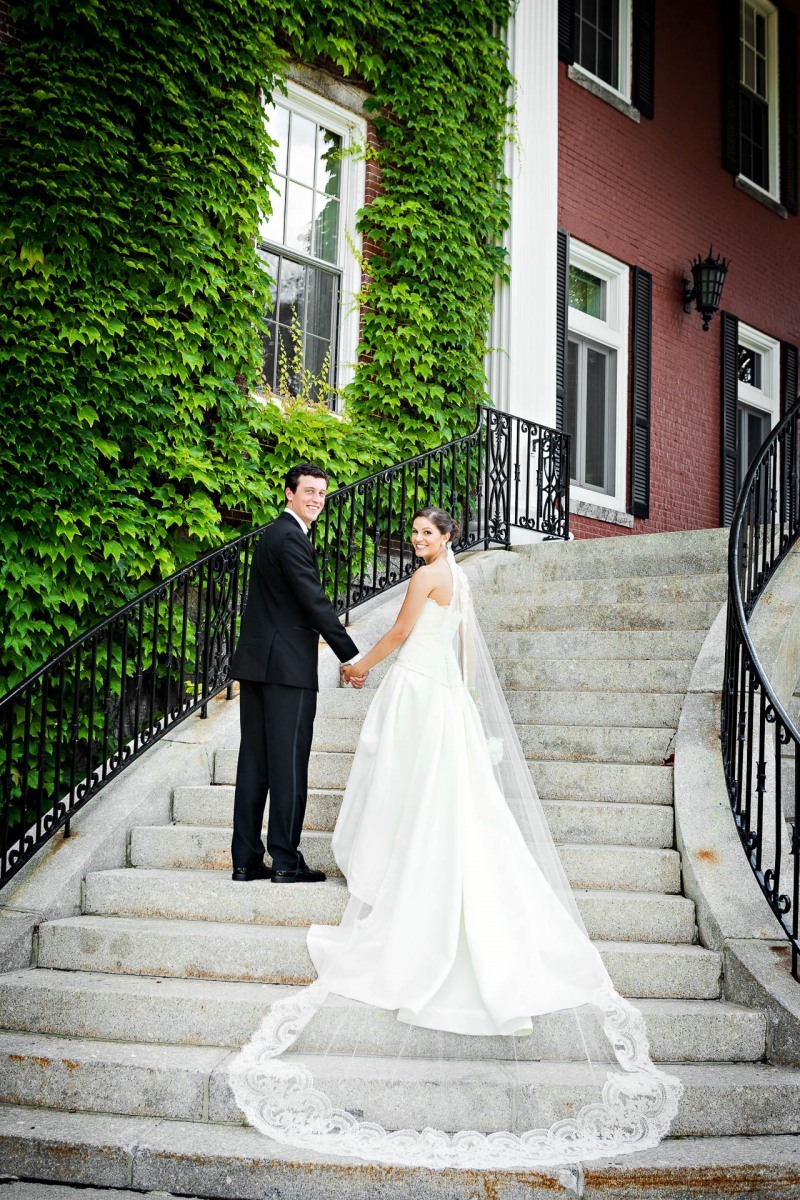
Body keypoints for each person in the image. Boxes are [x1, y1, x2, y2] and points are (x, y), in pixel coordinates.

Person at [229, 507, 682, 1170]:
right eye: (414, 533)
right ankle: (407, 866)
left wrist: (359, 668)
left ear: (448, 539)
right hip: (442, 697)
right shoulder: (459, 579)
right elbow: (464, 649)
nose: (418, 541)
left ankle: (406, 876)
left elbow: (405, 633)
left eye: (427, 534)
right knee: (431, 797)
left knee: (406, 792)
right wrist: (464, 696)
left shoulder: (426, 580)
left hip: (417, 692)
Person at [228, 463, 366, 884]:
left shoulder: (276, 533)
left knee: (255, 762)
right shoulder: (289, 535)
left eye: (322, 493)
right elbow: (314, 600)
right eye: (308, 491)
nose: (316, 499)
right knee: (287, 763)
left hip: (259, 665)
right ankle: (286, 859)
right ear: (288, 493)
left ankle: (247, 859)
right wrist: (351, 654)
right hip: (285, 668)